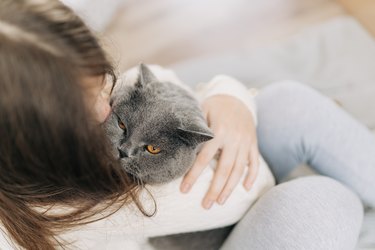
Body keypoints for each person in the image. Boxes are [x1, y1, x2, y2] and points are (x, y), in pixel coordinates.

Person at [0, 0, 372, 249]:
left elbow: (150, 77)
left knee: (285, 101)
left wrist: (229, 99)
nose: (105, 109)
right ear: (37, 143)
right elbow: (246, 190)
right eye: (86, 108)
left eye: (103, 83)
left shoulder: (80, 118)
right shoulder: (55, 213)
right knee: (322, 200)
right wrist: (228, 131)